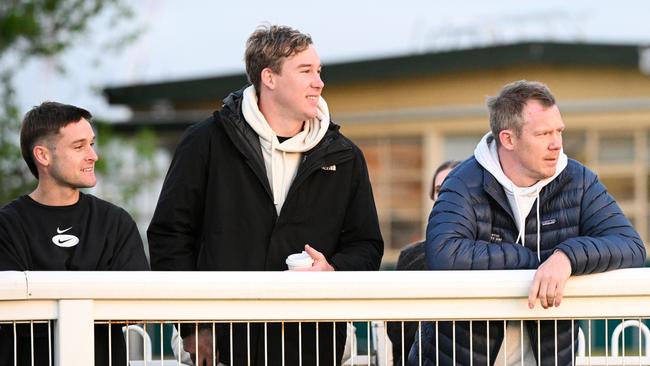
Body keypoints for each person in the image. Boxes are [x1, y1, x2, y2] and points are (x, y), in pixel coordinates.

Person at [147, 24, 383, 366]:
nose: (319, 82)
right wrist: (191, 327)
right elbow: (170, 237)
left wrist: (332, 270)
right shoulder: (204, 142)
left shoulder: (345, 156)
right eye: (305, 71)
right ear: (268, 77)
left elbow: (367, 245)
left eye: (319, 72)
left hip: (313, 344)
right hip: (220, 343)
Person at [410, 80, 646, 365]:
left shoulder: (579, 180)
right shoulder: (463, 181)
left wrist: (566, 257)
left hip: (548, 351)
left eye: (559, 131)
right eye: (544, 133)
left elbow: (631, 246)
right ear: (508, 139)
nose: (557, 144)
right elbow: (444, 254)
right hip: (464, 352)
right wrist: (533, 260)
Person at [0, 102, 150, 366]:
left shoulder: (114, 222)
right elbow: (15, 315)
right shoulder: (7, 225)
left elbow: (134, 307)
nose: (93, 155)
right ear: (43, 156)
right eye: (79, 146)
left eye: (91, 144)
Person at [386, 160, 458, 365]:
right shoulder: (410, 256)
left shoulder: (487, 250)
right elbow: (397, 329)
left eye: (453, 187)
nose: (444, 195)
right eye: (439, 190)